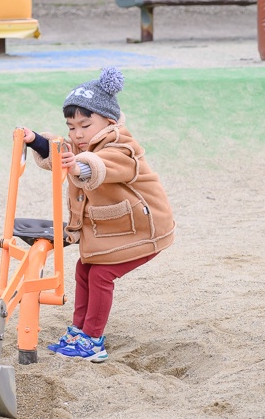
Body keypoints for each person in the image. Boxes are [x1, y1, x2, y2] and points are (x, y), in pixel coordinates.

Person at [18, 67, 175, 362]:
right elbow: (61, 151)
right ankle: (79, 330)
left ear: (109, 122)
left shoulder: (122, 146)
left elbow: (101, 164)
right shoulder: (79, 145)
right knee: (84, 269)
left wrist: (77, 166)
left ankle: (93, 340)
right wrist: (35, 140)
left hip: (144, 228)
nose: (77, 134)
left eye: (85, 126)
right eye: (71, 127)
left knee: (102, 274)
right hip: (114, 230)